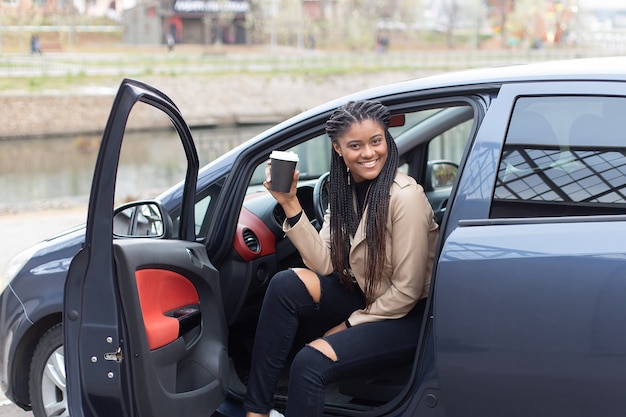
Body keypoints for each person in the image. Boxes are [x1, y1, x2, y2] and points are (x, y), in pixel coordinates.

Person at [244, 100, 439, 417]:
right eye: (355, 145)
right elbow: (323, 264)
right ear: (338, 149)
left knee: (309, 363)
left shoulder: (405, 197)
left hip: (411, 316)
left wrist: (348, 324)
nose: (369, 153)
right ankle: (256, 411)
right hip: (371, 296)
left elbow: (406, 292)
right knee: (284, 285)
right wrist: (290, 203)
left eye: (376, 141)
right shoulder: (344, 188)